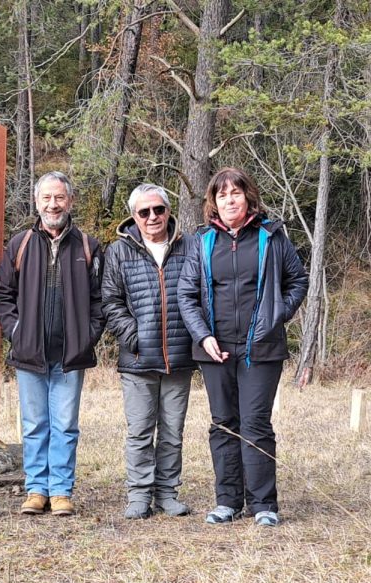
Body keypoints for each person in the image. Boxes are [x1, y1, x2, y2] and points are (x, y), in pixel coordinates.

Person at [178, 167, 308, 528]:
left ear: (248, 196)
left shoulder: (272, 237)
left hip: (261, 348)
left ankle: (264, 504)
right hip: (214, 349)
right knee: (224, 424)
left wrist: (278, 314)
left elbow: (298, 280)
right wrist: (203, 336)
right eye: (222, 195)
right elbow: (186, 295)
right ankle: (228, 501)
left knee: (255, 423)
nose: (229, 200)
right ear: (213, 203)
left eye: (236, 193)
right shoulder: (201, 241)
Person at [0, 171, 105, 517]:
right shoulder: (20, 244)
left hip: (70, 355)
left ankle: (60, 490)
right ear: (36, 201)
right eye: (46, 198)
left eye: (59, 198)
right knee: (34, 425)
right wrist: (16, 330)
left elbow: (102, 298)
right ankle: (36, 489)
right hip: (30, 354)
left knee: (65, 425)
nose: (53, 204)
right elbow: (3, 294)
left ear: (69, 201)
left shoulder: (88, 246)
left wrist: (88, 334)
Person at [102, 184, 196, 520]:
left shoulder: (191, 246)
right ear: (134, 216)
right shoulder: (118, 251)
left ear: (169, 211)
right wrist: (135, 335)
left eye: (158, 209)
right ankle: (139, 495)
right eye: (144, 212)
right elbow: (110, 301)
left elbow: (201, 294)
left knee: (172, 431)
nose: (152, 216)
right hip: (138, 359)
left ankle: (167, 494)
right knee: (140, 430)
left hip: (180, 356)